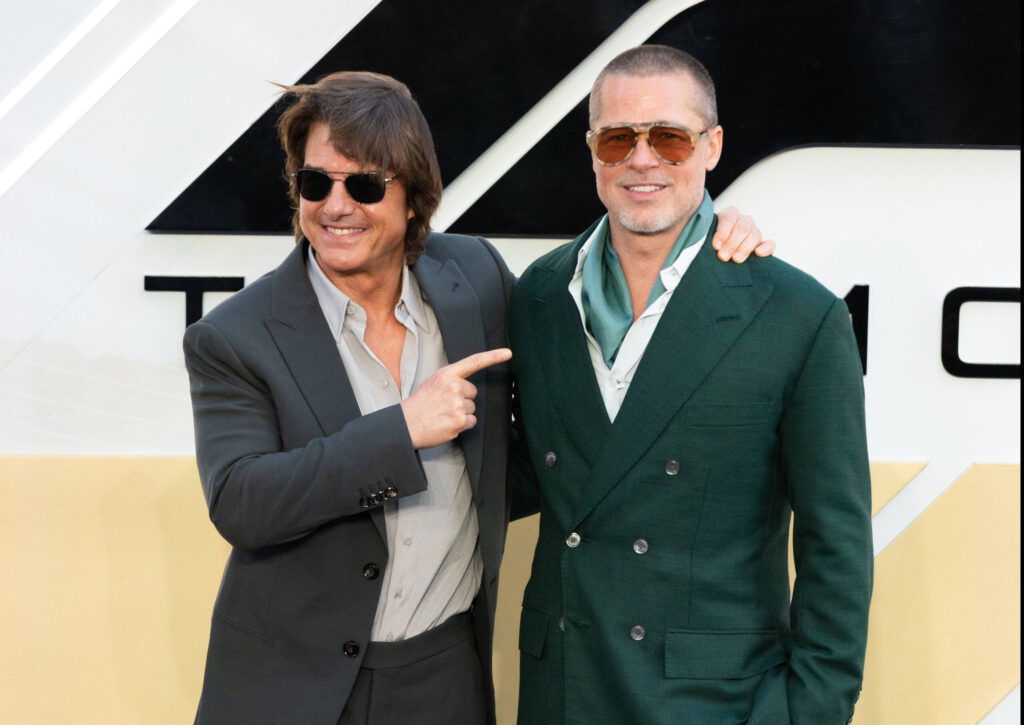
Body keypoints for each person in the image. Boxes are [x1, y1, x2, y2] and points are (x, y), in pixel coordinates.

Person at [184, 70, 769, 725]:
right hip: (295, 690)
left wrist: (707, 228)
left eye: (365, 185)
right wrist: (402, 430)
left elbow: (573, 381)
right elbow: (242, 503)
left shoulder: (474, 278)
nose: (335, 206)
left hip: (445, 677)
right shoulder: (235, 335)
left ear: (414, 197)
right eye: (315, 183)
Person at [509, 45, 872, 725]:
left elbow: (836, 545)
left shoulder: (796, 314)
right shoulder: (539, 295)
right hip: (565, 690)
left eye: (670, 139)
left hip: (714, 702)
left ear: (712, 146)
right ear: (592, 153)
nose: (642, 160)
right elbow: (519, 473)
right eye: (618, 139)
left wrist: (806, 711)